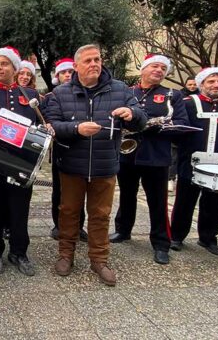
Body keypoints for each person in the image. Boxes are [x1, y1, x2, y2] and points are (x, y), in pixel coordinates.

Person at [46, 45, 146, 285]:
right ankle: (66, 254)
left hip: (105, 165)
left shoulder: (120, 89)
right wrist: (76, 129)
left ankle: (99, 259)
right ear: (76, 66)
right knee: (68, 212)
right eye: (88, 60)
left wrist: (132, 113)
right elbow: (52, 126)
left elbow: (142, 119)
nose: (94, 64)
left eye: (97, 59)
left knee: (100, 215)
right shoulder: (61, 93)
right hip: (71, 165)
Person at [110, 54, 189, 265]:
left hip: (156, 156)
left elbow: (181, 123)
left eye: (163, 68)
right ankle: (123, 230)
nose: (159, 70)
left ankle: (161, 244)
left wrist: (152, 126)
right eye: (155, 66)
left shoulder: (173, 95)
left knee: (157, 202)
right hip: (128, 154)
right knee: (127, 195)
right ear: (143, 69)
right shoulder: (127, 92)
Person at [0, 46, 42, 277]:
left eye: (4, 64)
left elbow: (41, 126)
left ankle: (19, 252)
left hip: (21, 165)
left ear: (15, 67)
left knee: (20, 210)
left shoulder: (31, 96)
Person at [169, 67, 218, 255]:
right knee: (185, 200)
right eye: (211, 81)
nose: (216, 85)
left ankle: (208, 238)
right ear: (201, 84)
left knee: (215, 201)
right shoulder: (187, 104)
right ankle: (176, 236)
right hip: (190, 160)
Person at [42, 57, 87, 241]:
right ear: (57, 76)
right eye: (63, 72)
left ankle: (79, 226)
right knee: (59, 190)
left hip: (82, 149)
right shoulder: (51, 97)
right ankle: (58, 224)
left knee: (80, 191)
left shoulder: (83, 94)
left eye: (70, 72)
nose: (67, 75)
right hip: (61, 149)